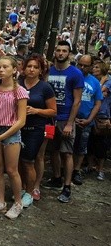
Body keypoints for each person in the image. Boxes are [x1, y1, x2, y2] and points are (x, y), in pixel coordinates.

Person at [0, 56, 29, 219]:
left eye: (6, 67)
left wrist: (2, 136)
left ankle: (17, 203)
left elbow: (21, 120)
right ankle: (0, 200)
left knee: (12, 170)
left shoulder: (20, 91)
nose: (1, 70)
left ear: (14, 70)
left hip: (11, 131)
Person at [44, 41, 84, 203]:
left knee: (66, 152)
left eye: (64, 51)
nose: (61, 53)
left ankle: (67, 186)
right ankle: (56, 177)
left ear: (69, 53)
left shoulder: (75, 73)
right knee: (52, 150)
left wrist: (69, 123)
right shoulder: (49, 71)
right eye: (58, 50)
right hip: (49, 118)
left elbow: (77, 101)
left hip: (65, 119)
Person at [18, 54, 57, 203]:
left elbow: (53, 111)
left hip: (36, 128)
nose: (32, 70)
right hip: (17, 127)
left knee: (28, 161)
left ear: (41, 70)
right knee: (17, 161)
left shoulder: (45, 87)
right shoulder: (17, 83)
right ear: (24, 68)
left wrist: (36, 110)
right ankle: (20, 188)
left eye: (35, 67)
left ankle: (30, 191)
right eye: (29, 66)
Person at [71, 55, 102, 186]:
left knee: (82, 147)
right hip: (71, 119)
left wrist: (89, 119)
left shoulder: (94, 82)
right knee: (68, 146)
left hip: (86, 120)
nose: (82, 68)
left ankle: (76, 171)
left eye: (85, 65)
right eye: (80, 65)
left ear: (91, 66)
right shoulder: (72, 78)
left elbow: (97, 103)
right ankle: (65, 170)